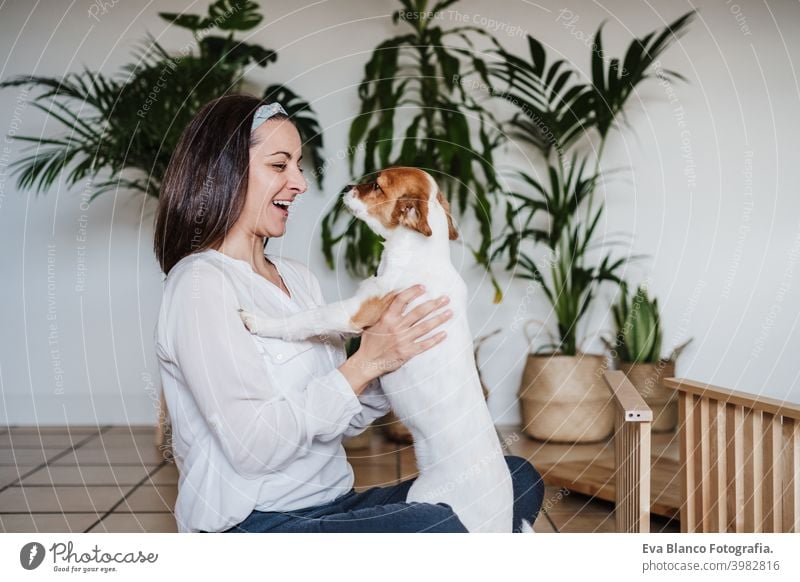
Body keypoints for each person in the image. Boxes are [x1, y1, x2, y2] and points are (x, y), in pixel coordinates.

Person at [153, 94, 544, 533]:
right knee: (446, 529)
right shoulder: (201, 284)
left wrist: (404, 358)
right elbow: (253, 448)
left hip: (334, 506)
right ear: (224, 171)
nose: (300, 183)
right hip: (257, 525)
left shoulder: (297, 280)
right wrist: (367, 361)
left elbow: (345, 418)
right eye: (280, 166)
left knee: (515, 479)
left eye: (298, 166)